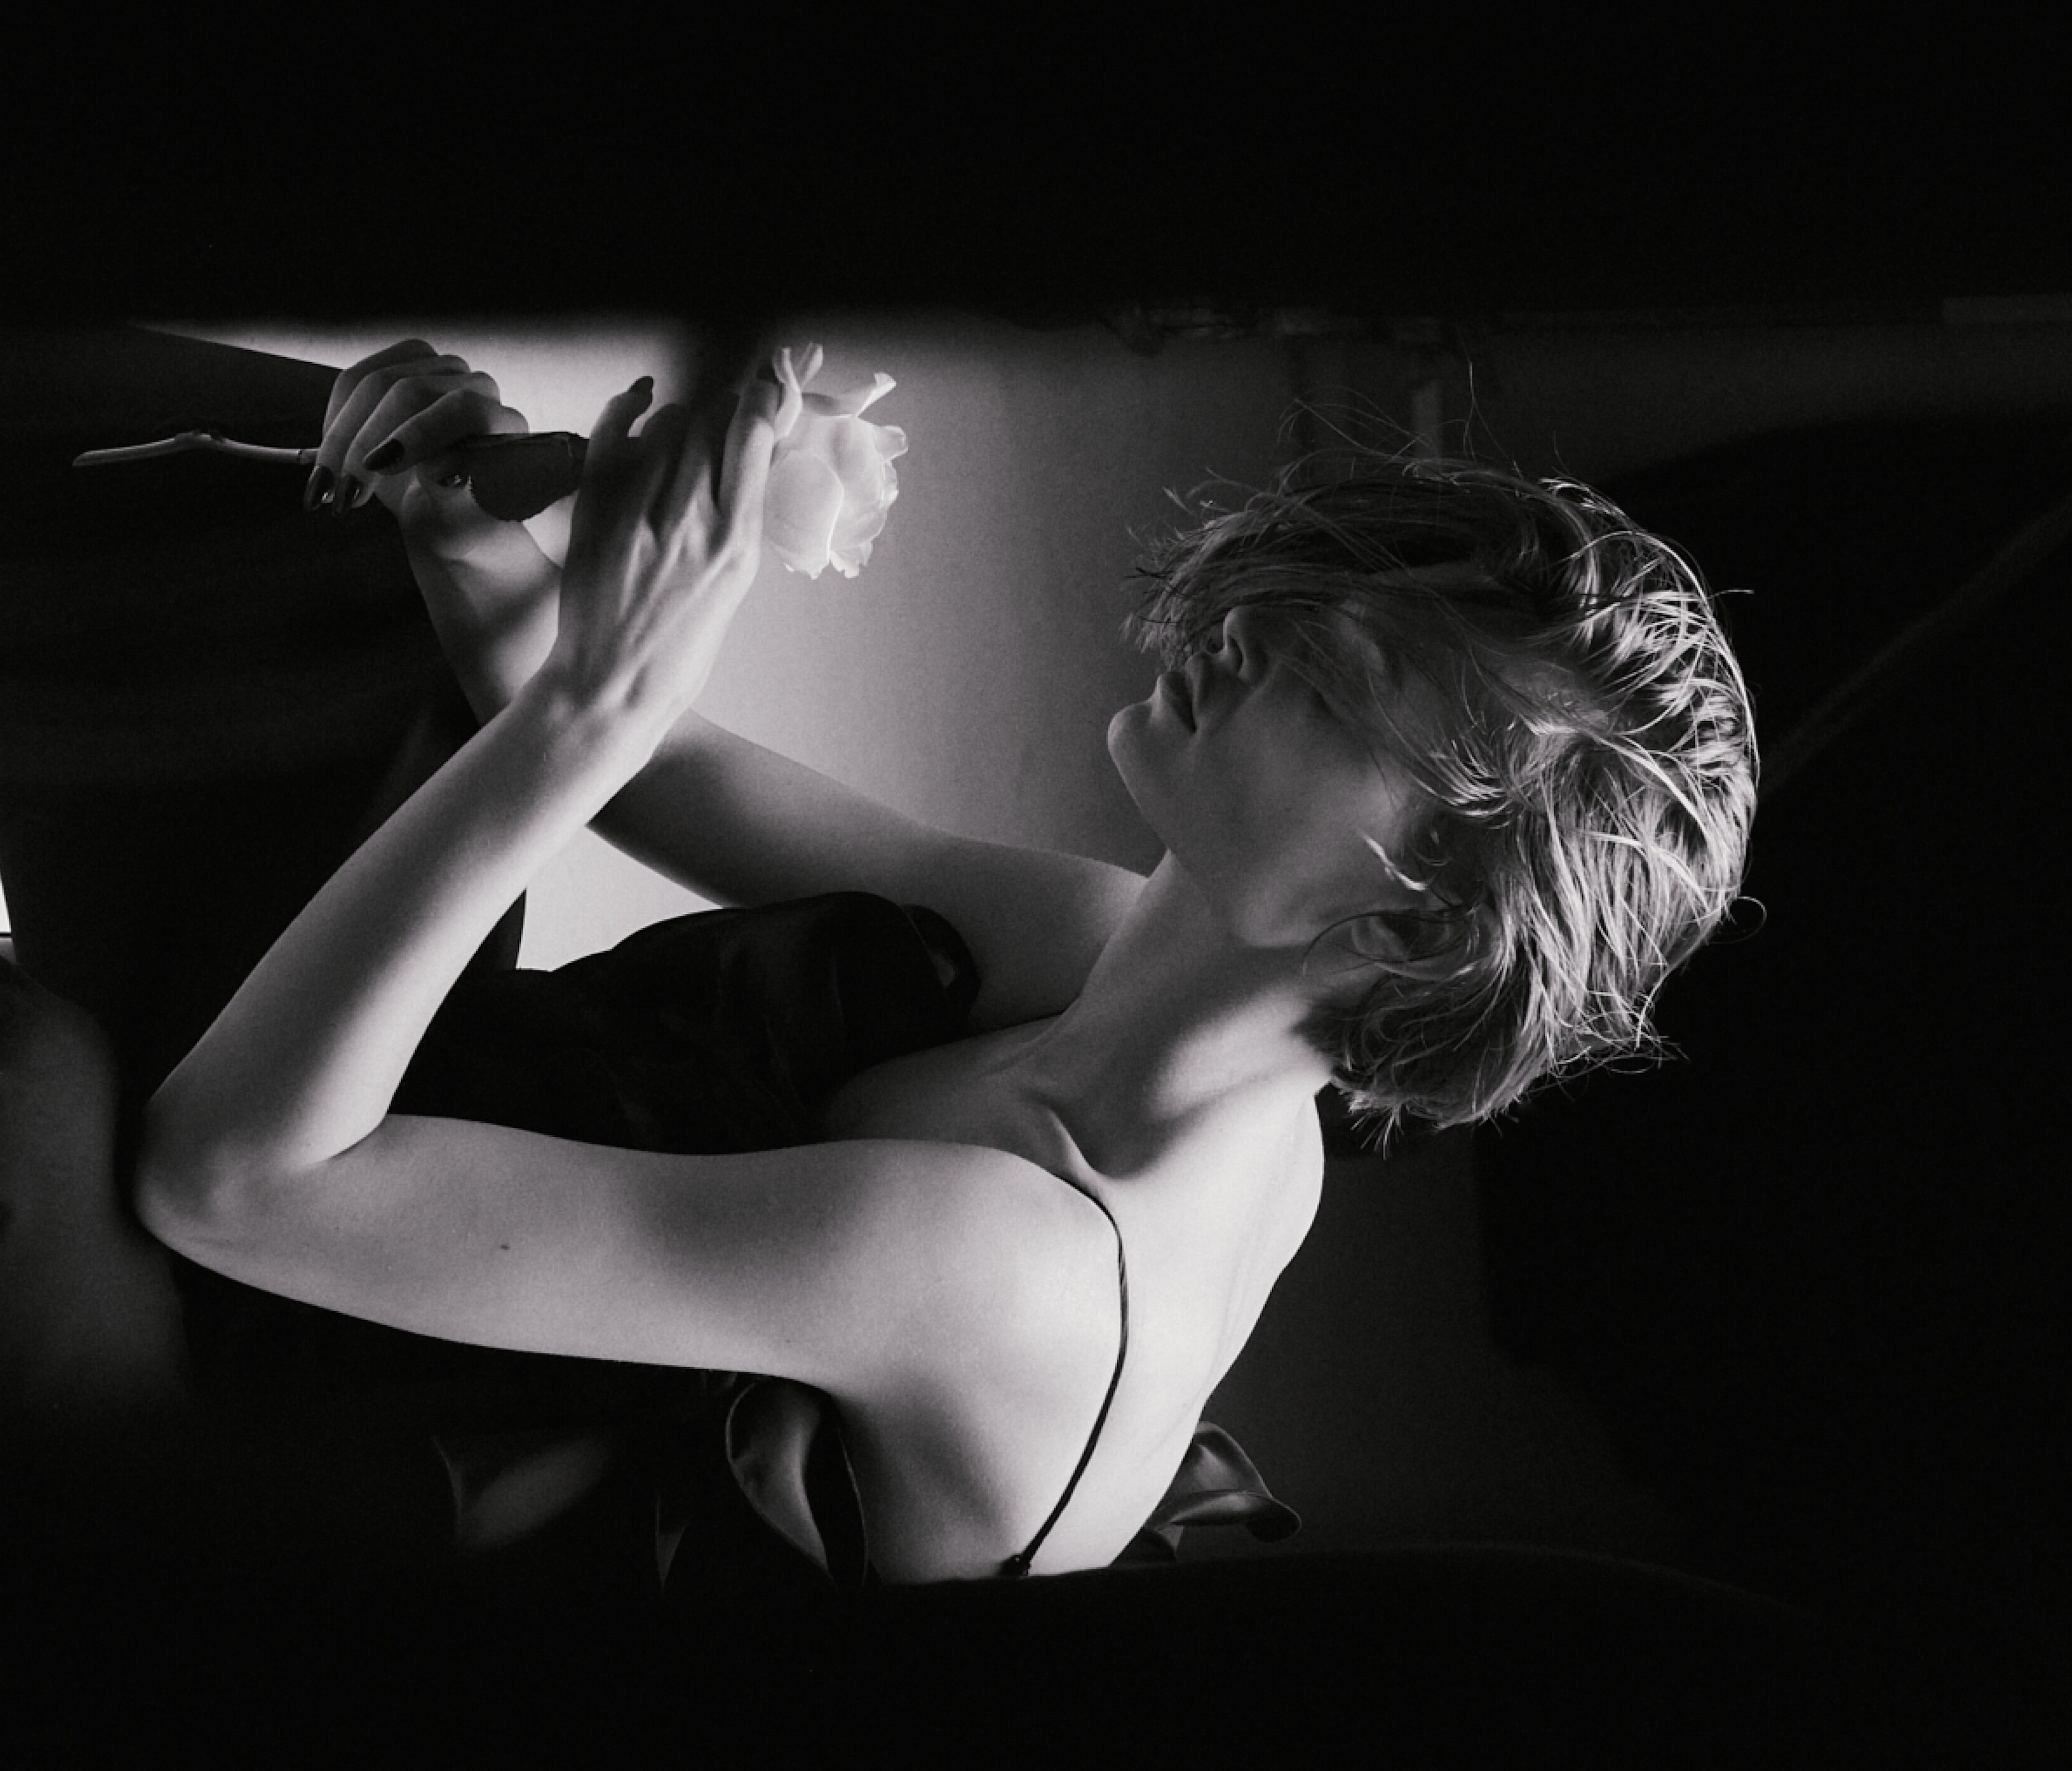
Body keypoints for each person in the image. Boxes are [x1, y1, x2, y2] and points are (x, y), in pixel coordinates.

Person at [130, 340, 1760, 1585]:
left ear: (1408, 924)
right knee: (262, 453)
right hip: (353, 1186)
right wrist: (460, 528)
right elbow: (662, 770)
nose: (1247, 630)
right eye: (1310, 603)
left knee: (13, 1096)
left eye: (1331, 686)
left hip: (309, 1428)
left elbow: (231, 1183)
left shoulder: (1011, 1262)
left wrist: (588, 706)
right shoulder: (1108, 950)